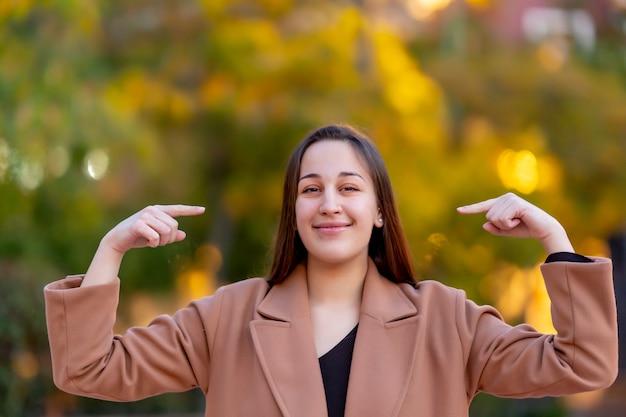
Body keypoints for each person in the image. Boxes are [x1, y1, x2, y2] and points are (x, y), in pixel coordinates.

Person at [44, 124, 618, 417]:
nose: (330, 204)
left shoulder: (447, 320)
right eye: (310, 190)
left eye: (349, 188)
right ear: (293, 214)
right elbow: (87, 369)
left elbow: (585, 363)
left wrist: (555, 239)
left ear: (376, 213)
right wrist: (111, 249)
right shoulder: (227, 318)